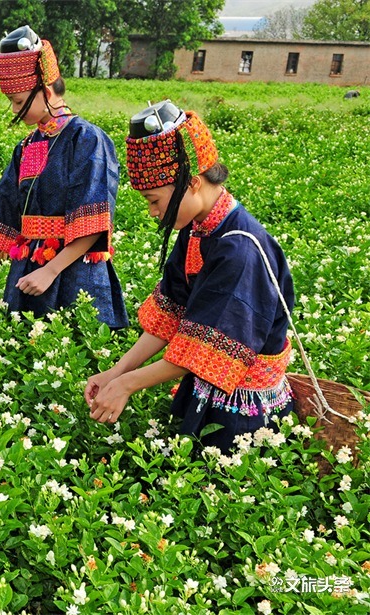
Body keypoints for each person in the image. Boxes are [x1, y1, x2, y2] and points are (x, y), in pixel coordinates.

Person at [85, 100, 295, 452]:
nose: (153, 213)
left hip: (242, 412)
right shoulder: (197, 229)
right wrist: (117, 372)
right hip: (206, 388)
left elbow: (207, 350)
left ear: (193, 183)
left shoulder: (240, 250)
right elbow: (171, 314)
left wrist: (128, 385)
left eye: (154, 200)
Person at [0, 26, 128, 328]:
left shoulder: (87, 139)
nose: (15, 110)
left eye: (18, 101)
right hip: (28, 270)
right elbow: (4, 220)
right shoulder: (27, 146)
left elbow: (94, 222)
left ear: (46, 89)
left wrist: (51, 271)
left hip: (73, 272)